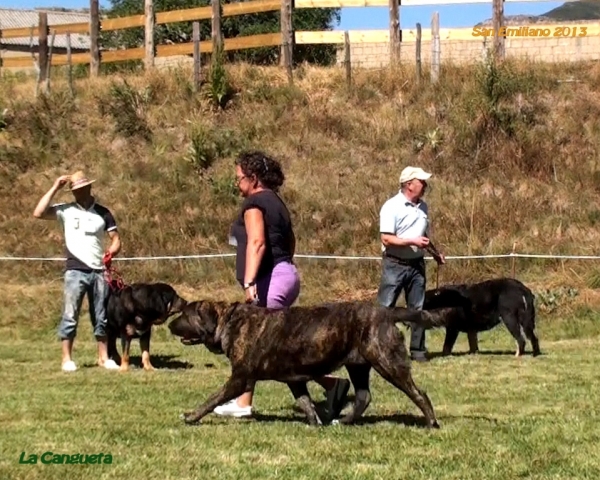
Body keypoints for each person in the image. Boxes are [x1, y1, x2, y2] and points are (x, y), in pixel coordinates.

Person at [213, 150, 351, 420]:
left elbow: (257, 242)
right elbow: (290, 242)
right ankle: (245, 402)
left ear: (253, 179)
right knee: (270, 346)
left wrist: (250, 280)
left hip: (269, 279)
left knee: (261, 347)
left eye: (239, 179)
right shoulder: (277, 202)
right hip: (286, 274)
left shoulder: (254, 203)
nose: (237, 185)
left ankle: (331, 385)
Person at [33, 171, 122, 372]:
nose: (78, 193)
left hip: (99, 271)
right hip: (75, 271)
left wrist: (111, 251)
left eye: (81, 189)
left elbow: (115, 238)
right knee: (70, 314)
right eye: (74, 190)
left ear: (89, 188)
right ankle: (66, 359)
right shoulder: (65, 210)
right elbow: (38, 213)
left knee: (101, 315)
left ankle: (103, 357)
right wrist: (56, 187)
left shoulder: (103, 213)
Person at [377, 166, 446, 362]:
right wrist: (412, 242)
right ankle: (379, 349)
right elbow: (387, 239)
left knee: (417, 308)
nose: (425, 185)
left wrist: (434, 253)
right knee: (385, 309)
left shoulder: (423, 207)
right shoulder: (391, 207)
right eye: (421, 182)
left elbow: (423, 236)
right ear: (409, 185)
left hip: (417, 266)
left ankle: (418, 350)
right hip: (394, 265)